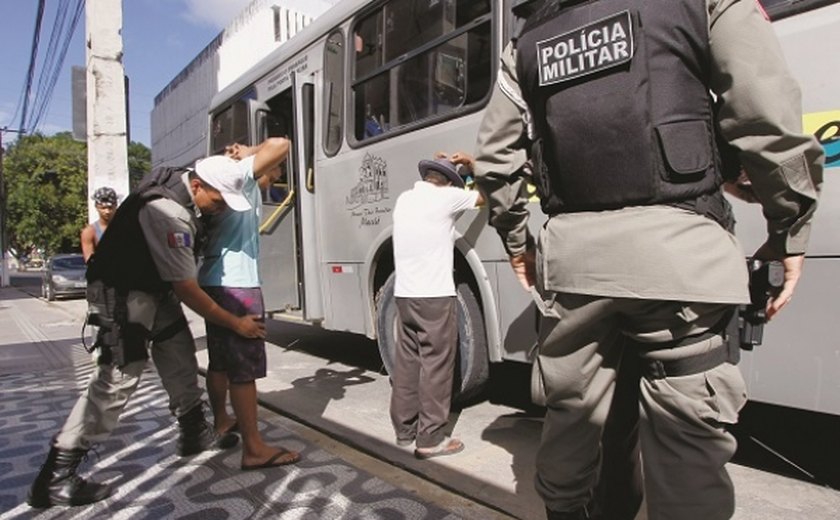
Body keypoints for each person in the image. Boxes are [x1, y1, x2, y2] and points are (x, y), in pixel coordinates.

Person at [473, 1, 824, 519]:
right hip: (683, 261)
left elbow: (495, 162)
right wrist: (788, 229)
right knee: (687, 431)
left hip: (574, 268)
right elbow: (764, 116)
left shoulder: (525, 39)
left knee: (572, 412)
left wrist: (520, 244)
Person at [28, 156, 267, 508]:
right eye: (217, 201)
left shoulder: (183, 186)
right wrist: (236, 323)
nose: (218, 210)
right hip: (121, 296)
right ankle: (55, 476)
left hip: (153, 290)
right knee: (117, 379)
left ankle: (193, 434)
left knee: (180, 355)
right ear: (197, 186)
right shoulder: (168, 212)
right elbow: (188, 289)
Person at [198, 137, 301, 470]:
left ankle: (221, 420)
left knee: (220, 362)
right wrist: (249, 152)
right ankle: (254, 449)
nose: (277, 173)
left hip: (212, 280)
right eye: (276, 170)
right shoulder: (238, 178)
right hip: (238, 284)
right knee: (244, 369)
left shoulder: (227, 189)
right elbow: (281, 143)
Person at [390, 152, 484, 459]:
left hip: (404, 296)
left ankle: (405, 432)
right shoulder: (447, 198)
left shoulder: (404, 199)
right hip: (434, 296)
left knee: (407, 363)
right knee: (436, 366)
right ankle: (430, 439)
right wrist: (471, 165)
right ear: (447, 183)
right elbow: (486, 196)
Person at [81, 187, 118, 262]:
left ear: (115, 206)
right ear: (97, 207)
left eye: (110, 208)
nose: (107, 211)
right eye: (103, 208)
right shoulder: (89, 232)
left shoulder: (126, 228)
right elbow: (89, 260)